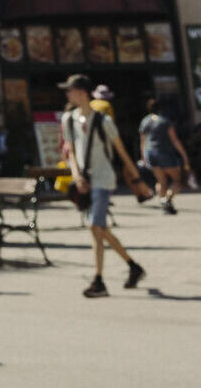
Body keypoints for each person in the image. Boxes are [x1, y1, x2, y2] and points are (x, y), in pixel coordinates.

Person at [60, 75, 145, 296]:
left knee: (94, 226)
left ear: (82, 92)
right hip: (85, 180)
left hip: (104, 178)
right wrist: (76, 177)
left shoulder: (103, 121)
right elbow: (71, 152)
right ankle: (133, 266)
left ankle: (99, 281)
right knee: (99, 229)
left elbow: (121, 151)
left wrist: (137, 179)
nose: (67, 94)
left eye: (70, 90)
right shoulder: (68, 119)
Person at [141, 97, 190, 214]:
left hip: (150, 153)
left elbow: (142, 141)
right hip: (164, 153)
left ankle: (164, 205)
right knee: (178, 180)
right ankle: (166, 200)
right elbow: (174, 140)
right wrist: (184, 155)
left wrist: (143, 156)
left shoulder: (145, 121)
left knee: (161, 181)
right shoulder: (165, 121)